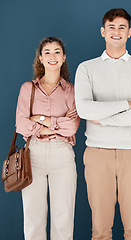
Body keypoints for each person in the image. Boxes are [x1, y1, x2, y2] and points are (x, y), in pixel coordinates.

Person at [74, 8, 131, 240]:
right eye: (111, 27)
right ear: (102, 32)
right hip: (98, 154)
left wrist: (103, 119)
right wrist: (126, 104)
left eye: (122, 27)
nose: (116, 32)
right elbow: (84, 109)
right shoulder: (86, 68)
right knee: (100, 230)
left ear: (130, 32)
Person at [15, 37, 80, 240]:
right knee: (33, 219)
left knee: (64, 218)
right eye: (48, 52)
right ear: (40, 58)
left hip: (63, 156)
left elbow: (72, 127)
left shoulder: (72, 91)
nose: (53, 56)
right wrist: (57, 123)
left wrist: (40, 120)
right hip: (32, 155)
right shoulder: (28, 88)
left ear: (63, 58)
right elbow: (21, 124)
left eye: (57, 51)